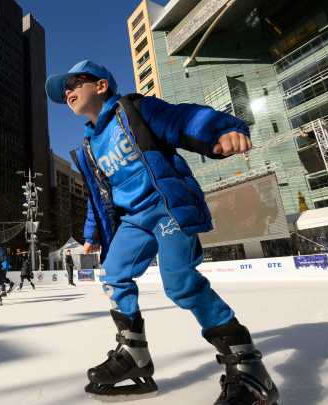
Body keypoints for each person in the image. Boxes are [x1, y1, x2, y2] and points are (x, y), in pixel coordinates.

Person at [45, 60, 278, 403]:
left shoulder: (135, 110)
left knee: (180, 282)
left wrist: (220, 129)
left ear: (101, 86)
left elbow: (182, 117)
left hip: (165, 206)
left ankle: (247, 366)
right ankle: (134, 355)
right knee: (113, 275)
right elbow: (98, 196)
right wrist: (92, 232)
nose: (67, 92)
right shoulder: (89, 147)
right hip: (132, 220)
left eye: (74, 82)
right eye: (63, 90)